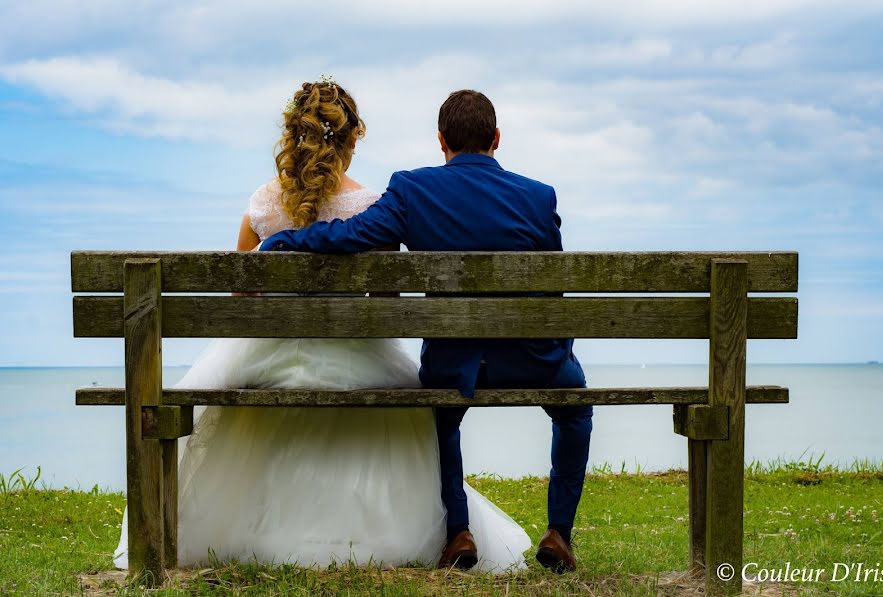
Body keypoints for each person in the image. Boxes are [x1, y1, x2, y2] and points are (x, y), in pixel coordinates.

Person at [112, 77, 530, 572]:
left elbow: (240, 298)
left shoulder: (261, 206)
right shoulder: (371, 205)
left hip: (262, 363)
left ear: (294, 136)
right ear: (351, 140)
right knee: (413, 403)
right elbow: (387, 303)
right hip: (354, 360)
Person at [260, 89, 593, 572]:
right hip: (532, 359)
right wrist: (556, 351)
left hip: (452, 365)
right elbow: (552, 293)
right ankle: (559, 533)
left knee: (443, 413)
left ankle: (458, 531)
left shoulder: (412, 191)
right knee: (574, 409)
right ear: (497, 139)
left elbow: (350, 236)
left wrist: (284, 239)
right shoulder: (538, 198)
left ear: (441, 141)